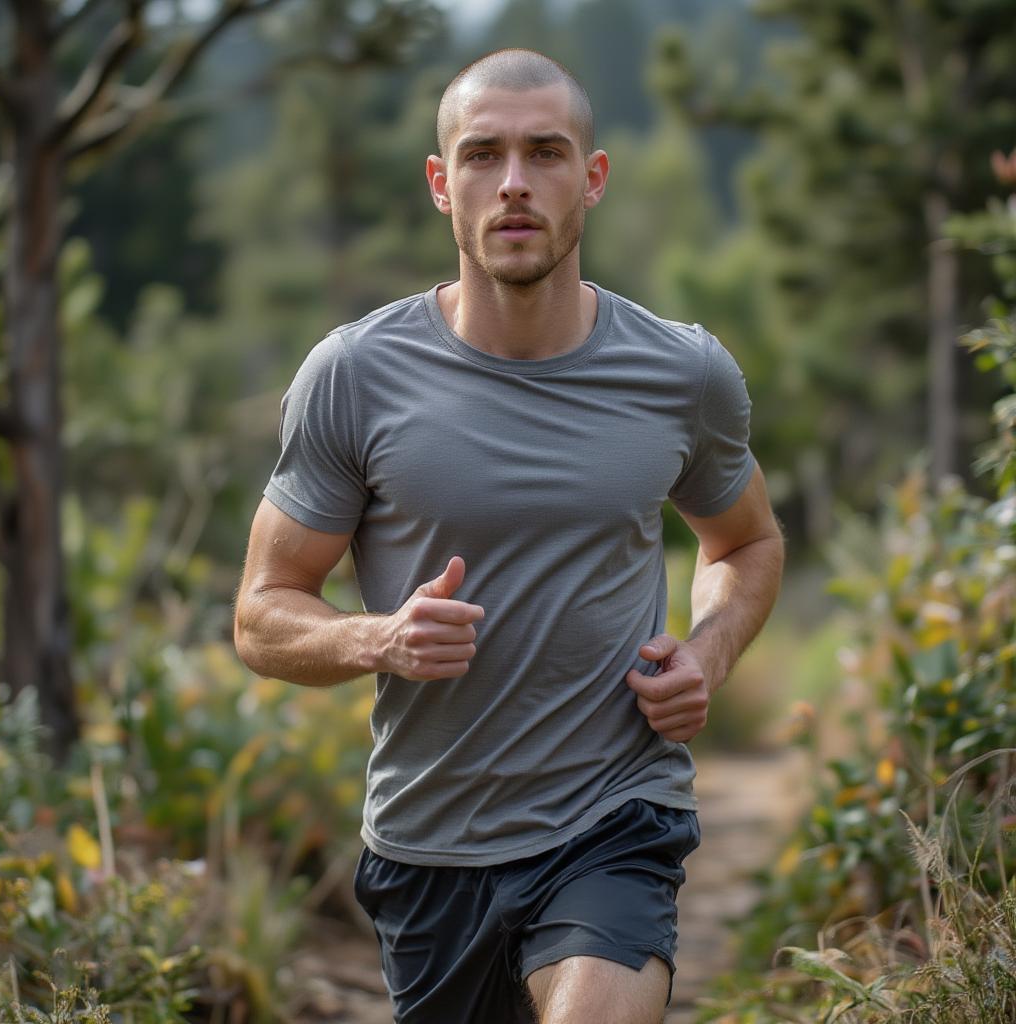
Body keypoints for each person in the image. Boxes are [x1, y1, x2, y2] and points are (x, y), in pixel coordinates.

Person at [234, 48, 784, 1024]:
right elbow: (262, 614)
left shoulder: (682, 373)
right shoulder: (353, 376)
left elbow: (744, 544)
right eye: (483, 155)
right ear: (443, 183)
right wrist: (379, 637)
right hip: (428, 845)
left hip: (614, 817)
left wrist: (708, 649)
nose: (515, 183)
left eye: (546, 152)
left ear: (594, 177)